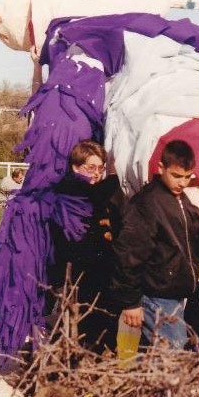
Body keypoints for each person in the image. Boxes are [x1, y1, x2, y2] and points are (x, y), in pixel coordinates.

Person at [110, 140, 199, 349]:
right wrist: (130, 303)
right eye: (176, 176)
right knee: (172, 360)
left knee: (155, 360)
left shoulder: (178, 199)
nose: (182, 183)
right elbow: (128, 254)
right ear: (161, 168)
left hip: (171, 296)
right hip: (156, 298)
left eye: (187, 177)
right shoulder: (148, 203)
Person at [49, 140, 125, 353]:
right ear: (75, 167)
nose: (96, 173)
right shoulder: (69, 189)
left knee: (104, 326)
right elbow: (96, 194)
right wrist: (115, 177)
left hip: (100, 272)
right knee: (80, 327)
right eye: (90, 167)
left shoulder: (98, 192)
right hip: (75, 273)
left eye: (100, 168)